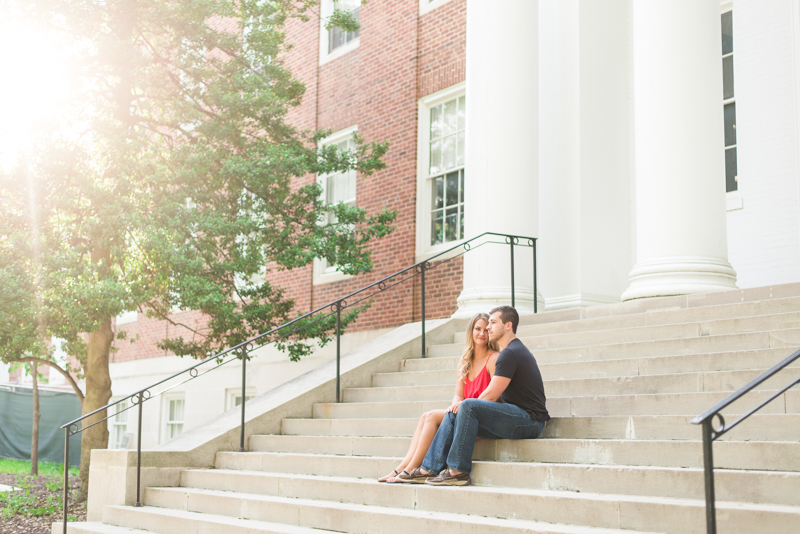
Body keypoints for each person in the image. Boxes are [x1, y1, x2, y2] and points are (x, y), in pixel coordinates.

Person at [415, 305, 550, 486]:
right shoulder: (510, 352)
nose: (488, 327)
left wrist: (464, 406)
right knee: (454, 413)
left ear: (508, 325)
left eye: (493, 323)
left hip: (530, 421)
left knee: (467, 405)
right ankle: (428, 469)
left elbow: (492, 395)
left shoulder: (510, 353)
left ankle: (457, 471)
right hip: (515, 416)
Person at [377, 312, 500, 483]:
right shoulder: (465, 361)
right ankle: (403, 467)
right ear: (470, 332)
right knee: (425, 416)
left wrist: (462, 406)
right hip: (463, 411)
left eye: (485, 330)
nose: (481, 334)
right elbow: (458, 394)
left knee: (432, 416)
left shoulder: (494, 358)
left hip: (479, 418)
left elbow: (496, 395)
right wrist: (455, 405)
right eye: (477, 329)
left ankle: (413, 468)